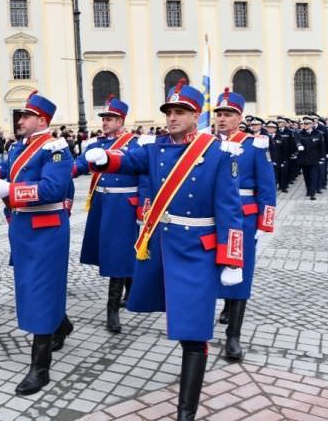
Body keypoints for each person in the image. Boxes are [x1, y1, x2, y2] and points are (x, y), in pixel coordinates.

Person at [84, 80, 243, 420]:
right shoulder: (154, 148)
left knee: (194, 330)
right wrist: (103, 159)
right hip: (162, 246)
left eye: (179, 112)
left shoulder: (217, 152)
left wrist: (232, 259)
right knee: (179, 322)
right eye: (169, 111)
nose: (172, 118)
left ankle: (186, 413)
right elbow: (127, 161)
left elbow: (231, 211)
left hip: (199, 251)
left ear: (196, 115)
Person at [0, 91, 74, 396]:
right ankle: (61, 325)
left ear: (42, 120)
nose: (20, 120)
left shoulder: (55, 149)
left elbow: (53, 188)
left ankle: (40, 368)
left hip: (46, 231)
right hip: (24, 230)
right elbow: (9, 172)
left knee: (40, 292)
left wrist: (12, 190)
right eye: (20, 116)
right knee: (34, 288)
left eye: (25, 116)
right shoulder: (18, 148)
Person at [73, 96, 148, 333]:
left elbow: (145, 177)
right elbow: (80, 165)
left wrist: (141, 207)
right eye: (104, 118)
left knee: (118, 255)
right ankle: (131, 290)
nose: (105, 123)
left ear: (121, 120)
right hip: (103, 204)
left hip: (124, 205)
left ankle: (112, 310)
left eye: (110, 119)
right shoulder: (97, 145)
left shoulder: (135, 144)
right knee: (116, 252)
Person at [213, 89, 276, 361]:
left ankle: (233, 337)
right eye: (219, 114)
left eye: (228, 114)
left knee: (240, 273)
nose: (222, 119)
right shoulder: (209, 144)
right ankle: (219, 311)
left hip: (244, 220)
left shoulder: (254, 145)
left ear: (240, 117)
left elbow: (267, 188)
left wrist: (265, 223)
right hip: (214, 218)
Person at [297, 117, 323, 200]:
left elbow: (322, 147)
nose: (305, 125)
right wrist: (299, 145)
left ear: (311, 124)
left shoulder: (318, 133)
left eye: (307, 124)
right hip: (304, 159)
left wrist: (322, 158)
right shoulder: (300, 133)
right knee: (306, 176)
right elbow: (297, 141)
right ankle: (308, 190)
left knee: (314, 176)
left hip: (314, 159)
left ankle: (312, 193)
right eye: (304, 124)